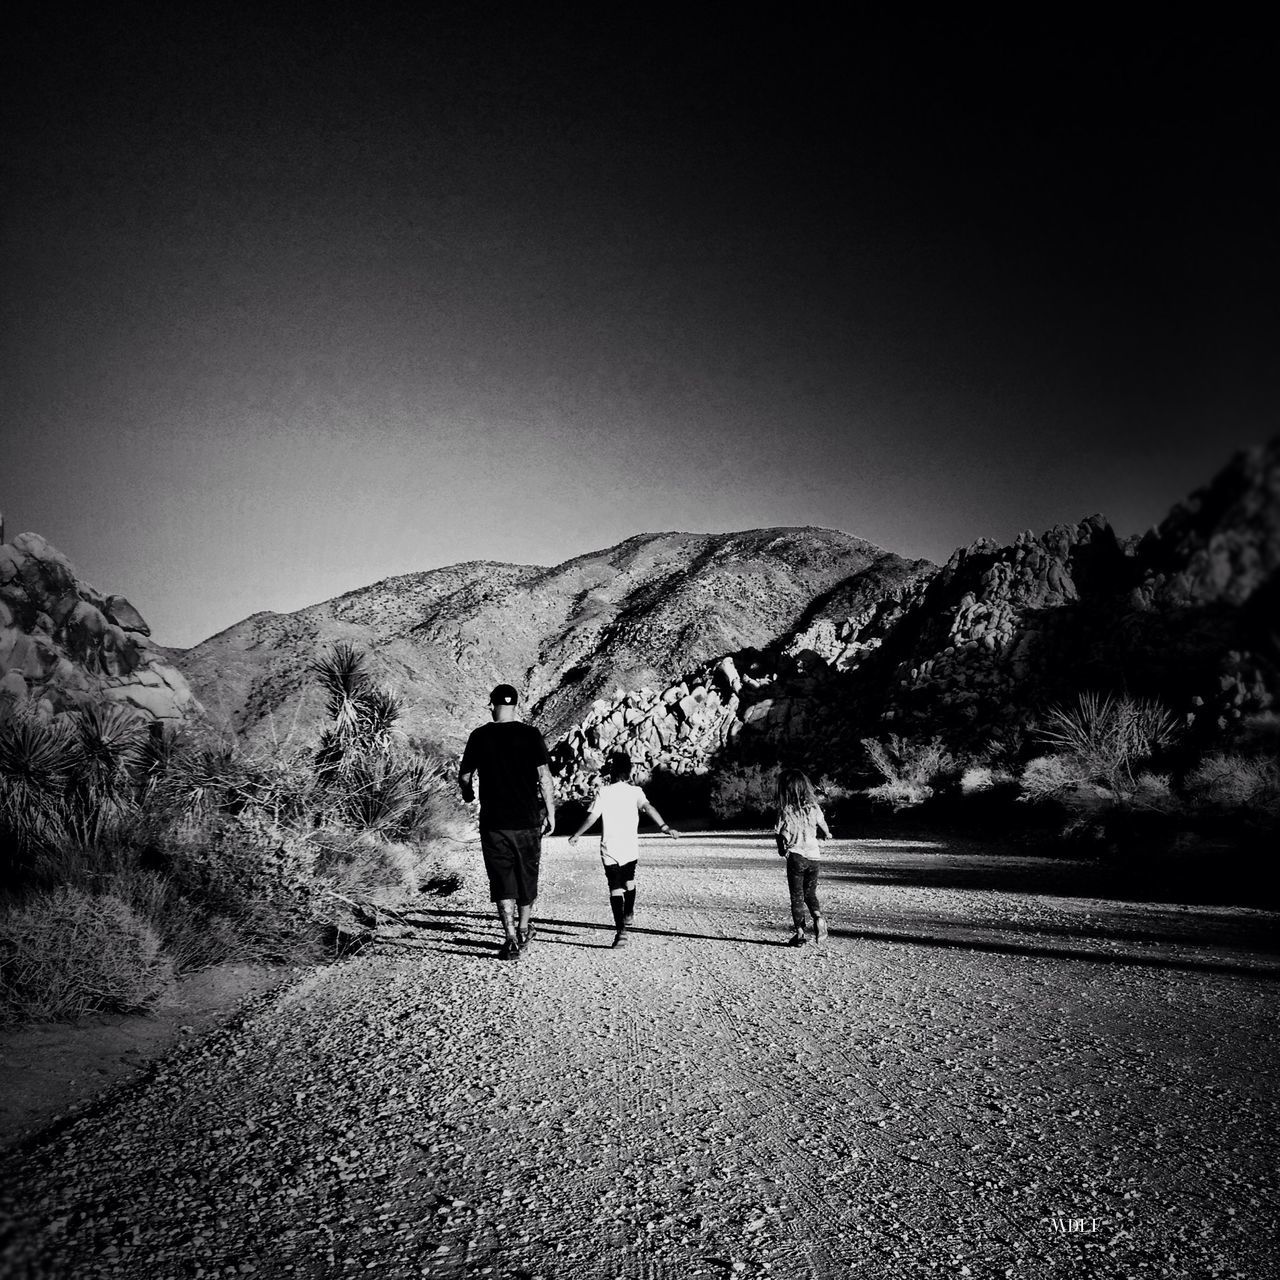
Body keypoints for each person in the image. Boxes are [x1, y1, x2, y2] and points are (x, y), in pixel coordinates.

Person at [458, 684, 556, 960]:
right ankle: (525, 930)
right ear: (515, 706)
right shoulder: (530, 734)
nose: (489, 708)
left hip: (494, 823)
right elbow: (545, 778)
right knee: (527, 876)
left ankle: (510, 937)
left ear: (493, 704)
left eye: (490, 704)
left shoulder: (479, 736)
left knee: (502, 879)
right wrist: (551, 812)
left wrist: (467, 794)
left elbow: (465, 775)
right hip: (527, 822)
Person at [567, 751, 678, 948]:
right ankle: (629, 912)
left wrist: (577, 834)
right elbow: (649, 808)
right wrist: (664, 827)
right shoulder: (635, 792)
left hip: (609, 848)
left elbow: (592, 817)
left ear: (611, 772)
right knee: (629, 881)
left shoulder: (603, 792)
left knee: (614, 888)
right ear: (629, 772)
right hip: (629, 847)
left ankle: (621, 933)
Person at [774, 767, 832, 946]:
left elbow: (781, 834)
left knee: (797, 896)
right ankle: (818, 918)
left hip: (797, 857)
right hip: (814, 857)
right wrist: (826, 834)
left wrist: (782, 849)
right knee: (810, 893)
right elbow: (824, 827)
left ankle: (799, 934)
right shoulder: (814, 808)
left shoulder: (786, 810)